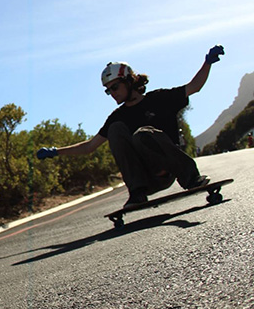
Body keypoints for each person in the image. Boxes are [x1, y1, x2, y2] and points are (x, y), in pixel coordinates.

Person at [37, 45, 224, 207]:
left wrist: (208, 63)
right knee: (115, 129)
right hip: (147, 178)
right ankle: (137, 192)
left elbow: (194, 86)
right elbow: (89, 146)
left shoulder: (159, 99)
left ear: (129, 81)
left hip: (170, 167)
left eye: (115, 87)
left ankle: (192, 178)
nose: (112, 93)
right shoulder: (117, 117)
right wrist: (55, 152)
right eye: (108, 90)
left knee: (142, 135)